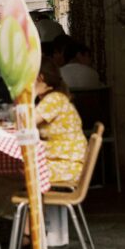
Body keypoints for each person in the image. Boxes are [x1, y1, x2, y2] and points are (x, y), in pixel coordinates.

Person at [35, 58, 87, 187]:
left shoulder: (54, 99)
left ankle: (9, 207)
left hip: (66, 167)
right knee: (10, 174)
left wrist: (30, 95)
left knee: (12, 174)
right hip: (64, 163)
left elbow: (25, 123)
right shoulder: (56, 97)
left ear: (40, 78)